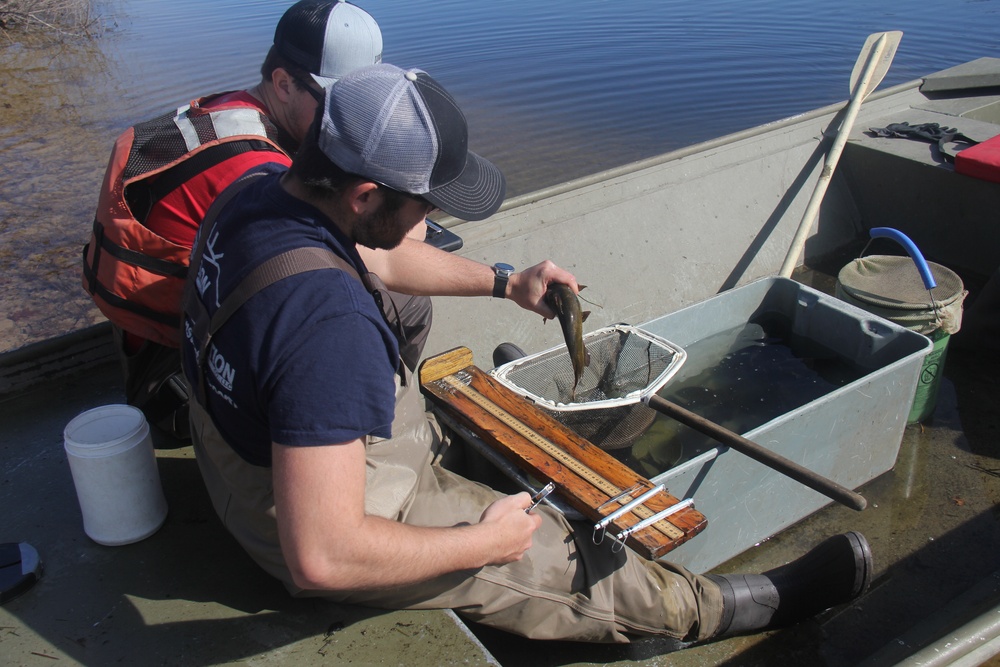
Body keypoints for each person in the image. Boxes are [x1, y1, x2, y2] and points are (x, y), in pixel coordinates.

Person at [180, 63, 874, 644]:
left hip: (238, 459)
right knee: (567, 558)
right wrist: (485, 544)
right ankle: (717, 609)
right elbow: (321, 557)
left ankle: (454, 469)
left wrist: (507, 283)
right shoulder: (326, 326)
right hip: (305, 528)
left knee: (411, 318)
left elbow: (380, 260)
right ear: (365, 193)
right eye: (426, 206)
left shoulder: (258, 191)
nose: (431, 223)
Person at [82, 0, 431, 443]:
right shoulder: (255, 169)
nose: (354, 123)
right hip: (176, 386)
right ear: (284, 83)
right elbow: (379, 260)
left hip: (150, 344)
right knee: (404, 303)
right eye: (340, 104)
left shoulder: (228, 110)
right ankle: (357, 439)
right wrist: (411, 230)